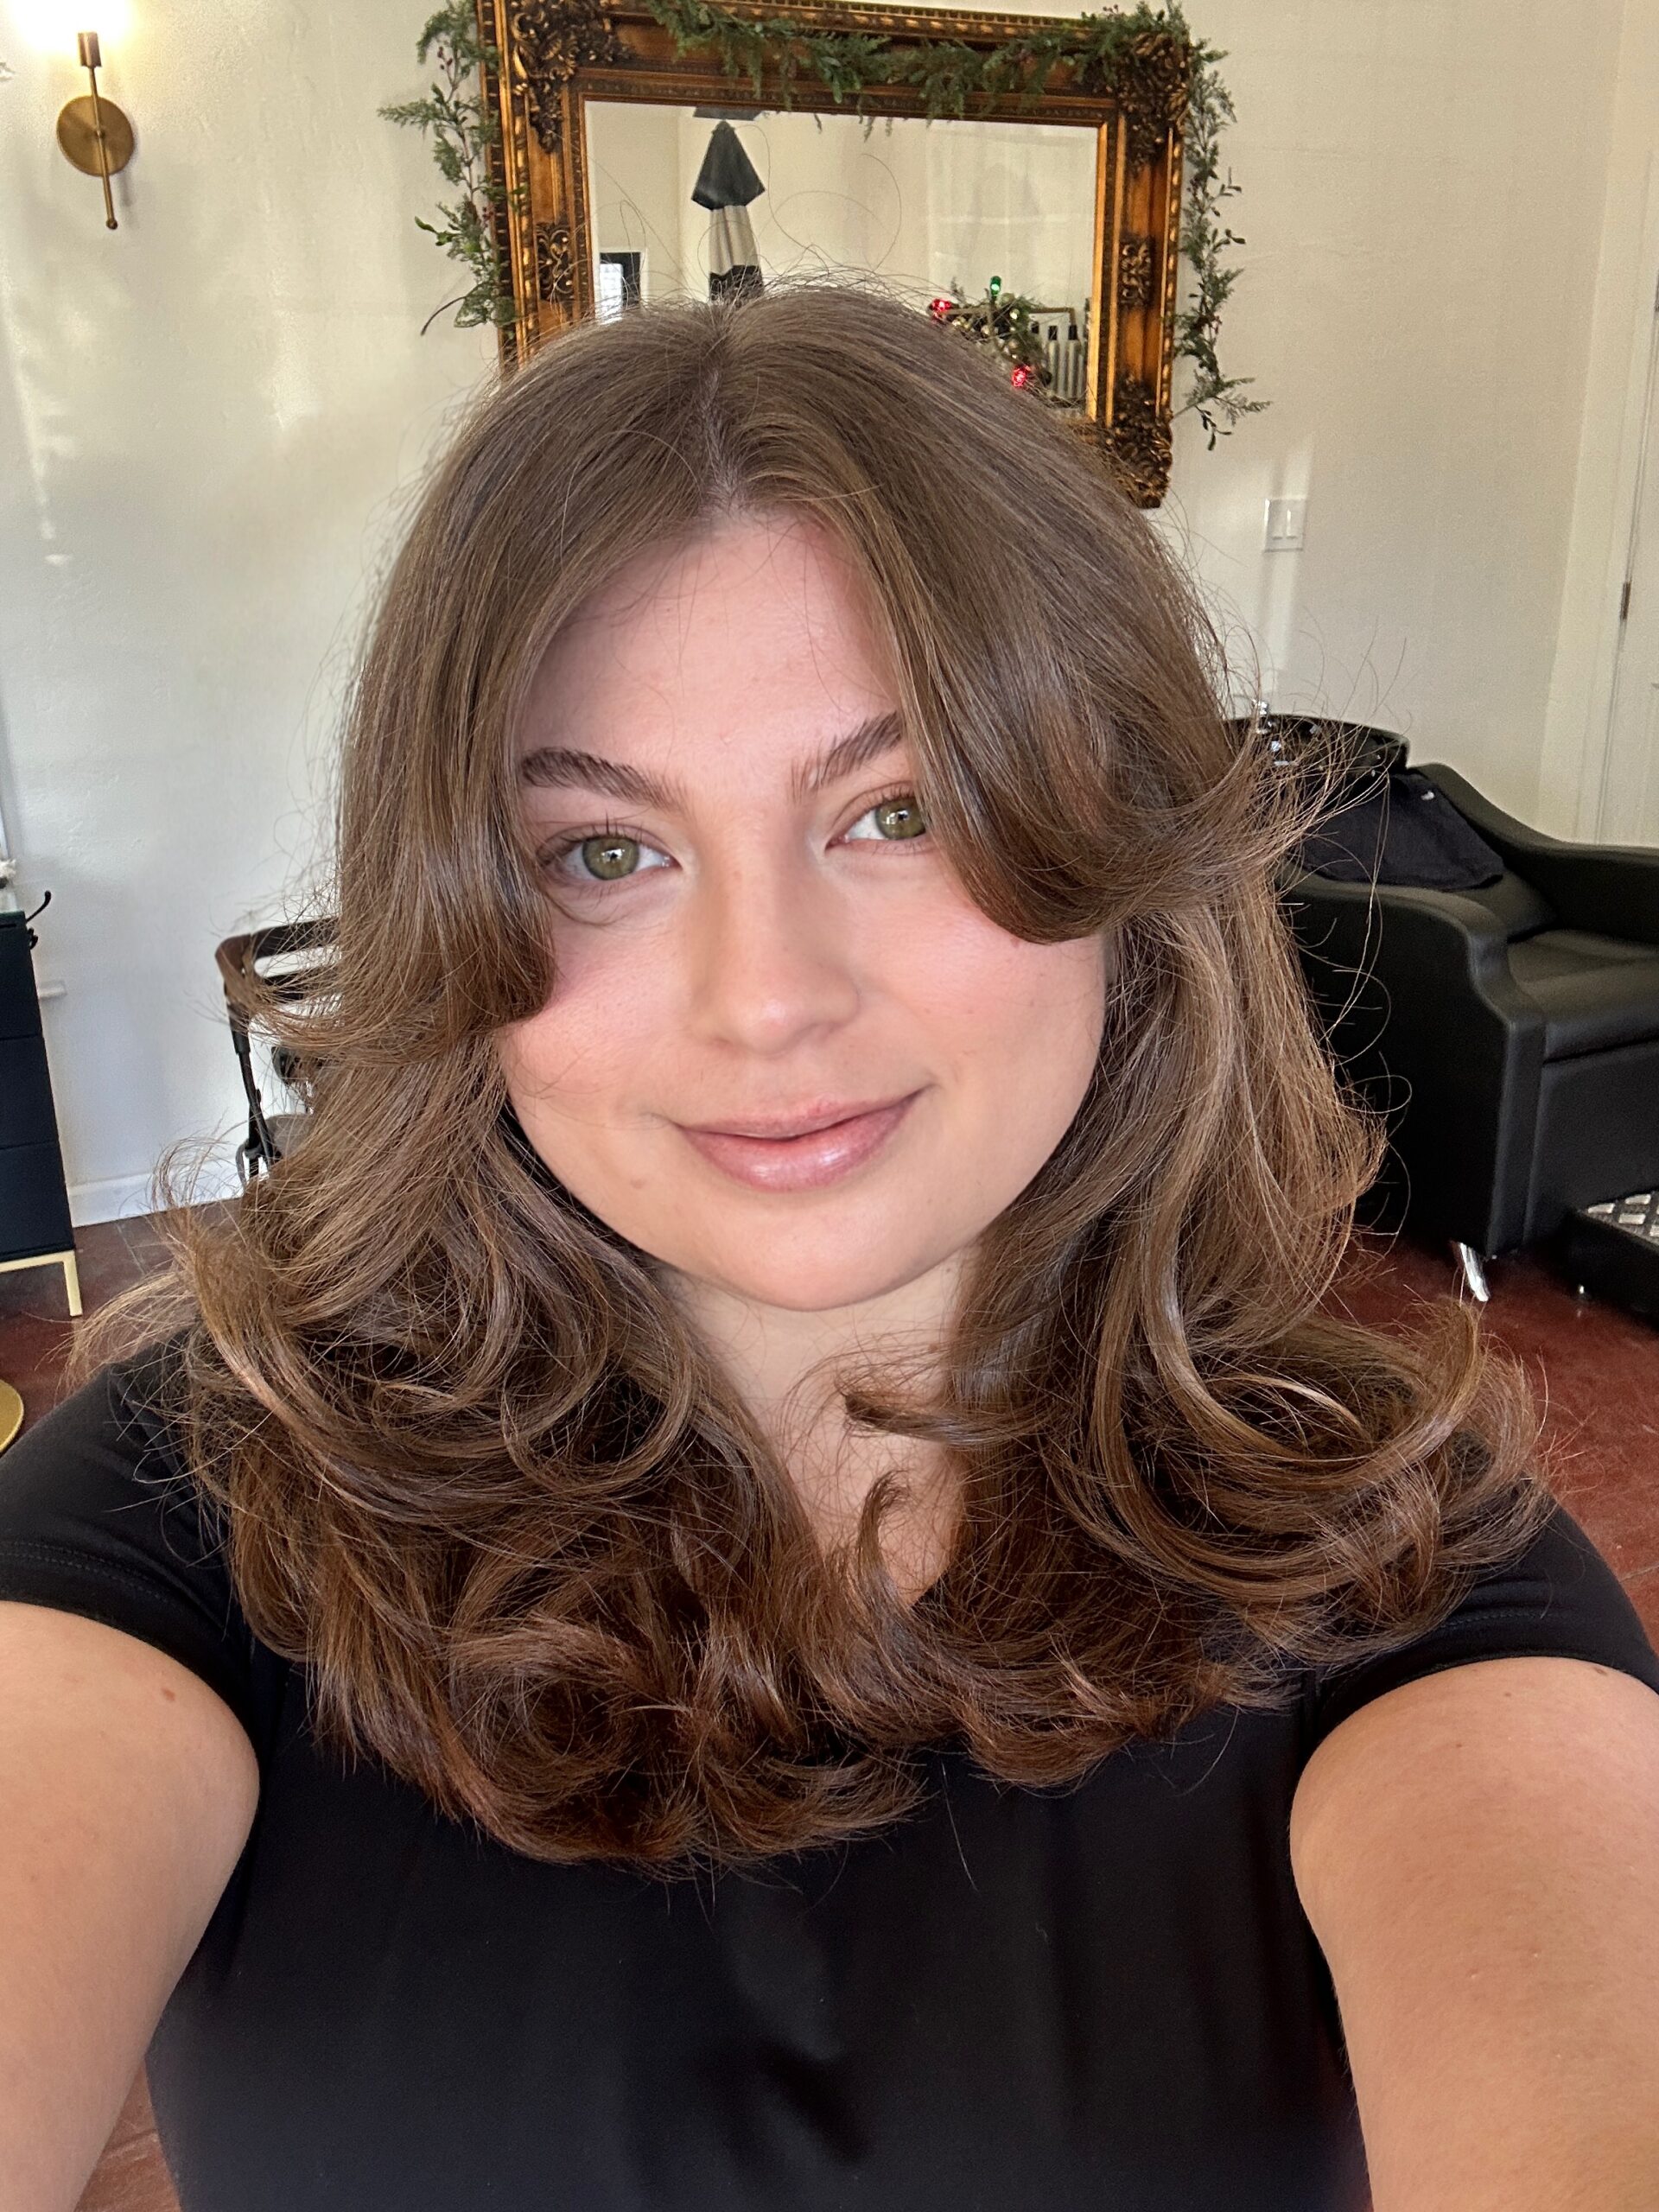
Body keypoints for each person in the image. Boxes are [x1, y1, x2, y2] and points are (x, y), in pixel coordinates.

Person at [2, 277, 1656, 2212]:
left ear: (1120, 856)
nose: (768, 998)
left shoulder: (1406, 1568)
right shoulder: (189, 1507)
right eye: (605, 854)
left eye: (899, 811)